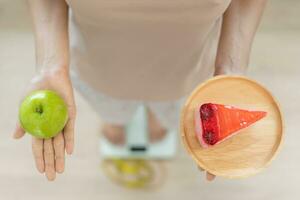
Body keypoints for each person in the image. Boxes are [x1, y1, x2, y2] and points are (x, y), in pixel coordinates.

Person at [13, 0, 267, 181]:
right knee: (112, 111)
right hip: (100, 68)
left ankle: (155, 124)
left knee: (169, 116)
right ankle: (118, 123)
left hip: (191, 71)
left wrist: (230, 68)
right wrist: (51, 64)